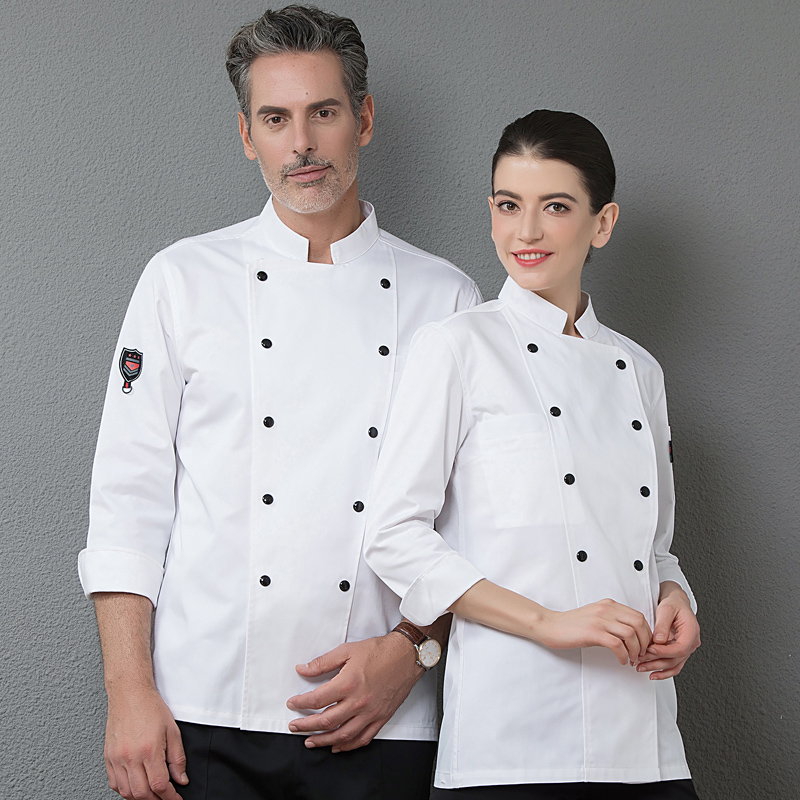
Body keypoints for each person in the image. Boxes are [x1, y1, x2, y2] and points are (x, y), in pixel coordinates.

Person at [78, 6, 481, 800]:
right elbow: (126, 505)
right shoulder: (181, 281)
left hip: (378, 715)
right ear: (246, 134)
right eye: (275, 118)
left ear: (364, 120)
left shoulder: (448, 299)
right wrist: (128, 694)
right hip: (198, 712)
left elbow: (472, 524)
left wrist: (413, 651)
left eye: (323, 113)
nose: (301, 144)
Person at [364, 109, 702, 798]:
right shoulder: (457, 347)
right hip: (510, 741)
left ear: (602, 223)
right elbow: (394, 535)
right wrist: (550, 623)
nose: (526, 232)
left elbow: (653, 547)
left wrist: (677, 599)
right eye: (508, 205)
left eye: (556, 207)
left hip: (642, 736)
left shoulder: (640, 371)